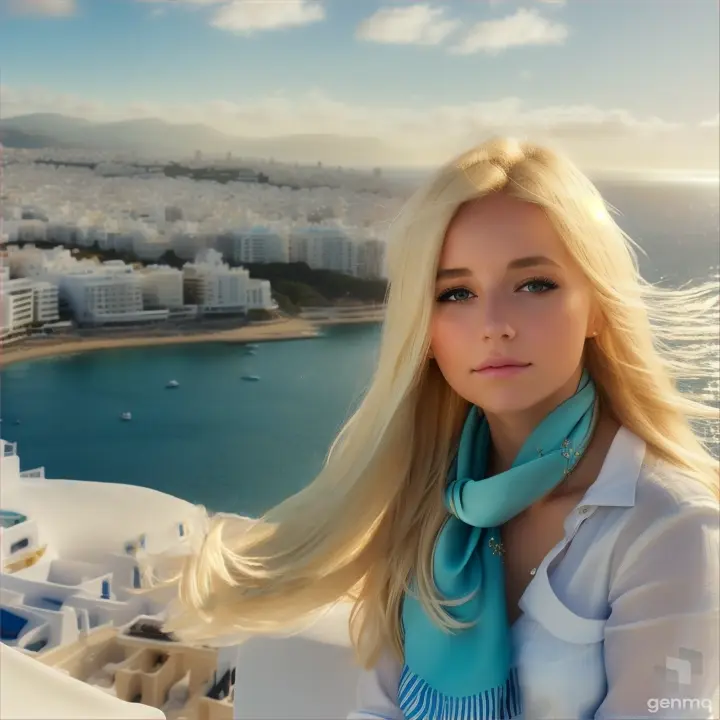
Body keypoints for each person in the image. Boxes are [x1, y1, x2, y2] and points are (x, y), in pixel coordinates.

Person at [161, 137, 720, 718]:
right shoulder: (428, 503)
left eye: (535, 285)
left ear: (598, 308)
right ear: (424, 333)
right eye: (456, 293)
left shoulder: (666, 524)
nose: (495, 324)